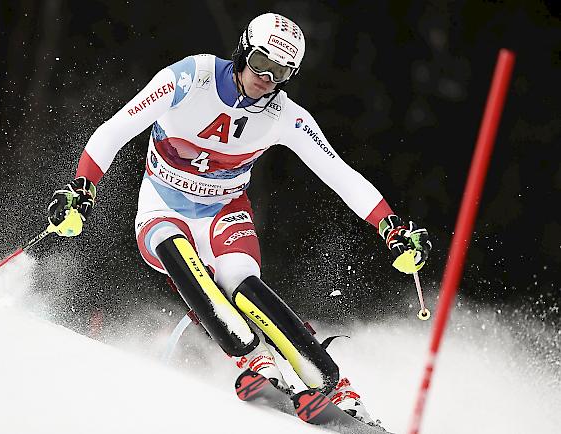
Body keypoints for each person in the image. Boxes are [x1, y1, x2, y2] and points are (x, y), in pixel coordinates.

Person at [47, 12, 431, 426]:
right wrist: (82, 188)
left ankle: (335, 387)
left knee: (241, 286)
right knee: (181, 260)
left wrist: (391, 228)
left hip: (225, 211)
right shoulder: (189, 78)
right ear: (243, 51)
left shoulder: (286, 115)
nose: (267, 78)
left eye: (281, 71)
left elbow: (341, 175)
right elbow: (114, 131)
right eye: (261, 63)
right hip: (163, 205)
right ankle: (253, 358)